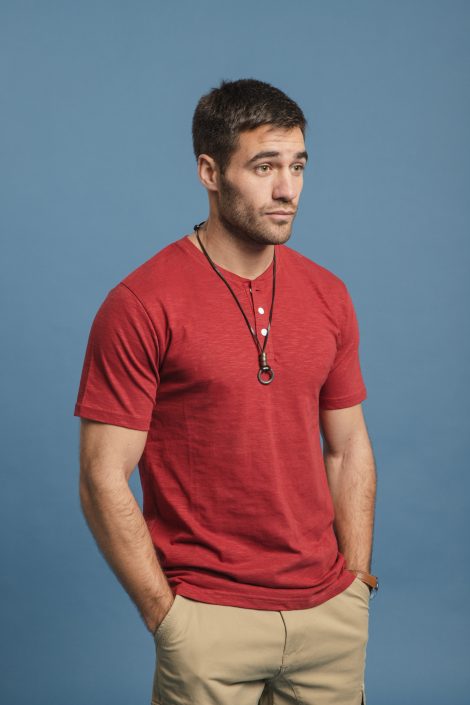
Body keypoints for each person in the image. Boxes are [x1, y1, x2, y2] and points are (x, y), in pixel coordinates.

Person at [74, 77, 378, 705]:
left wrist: (353, 582)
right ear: (210, 172)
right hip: (208, 620)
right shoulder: (140, 304)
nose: (287, 188)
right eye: (264, 166)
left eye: (297, 166)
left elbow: (348, 447)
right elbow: (102, 476)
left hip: (330, 618)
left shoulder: (329, 295)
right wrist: (166, 615)